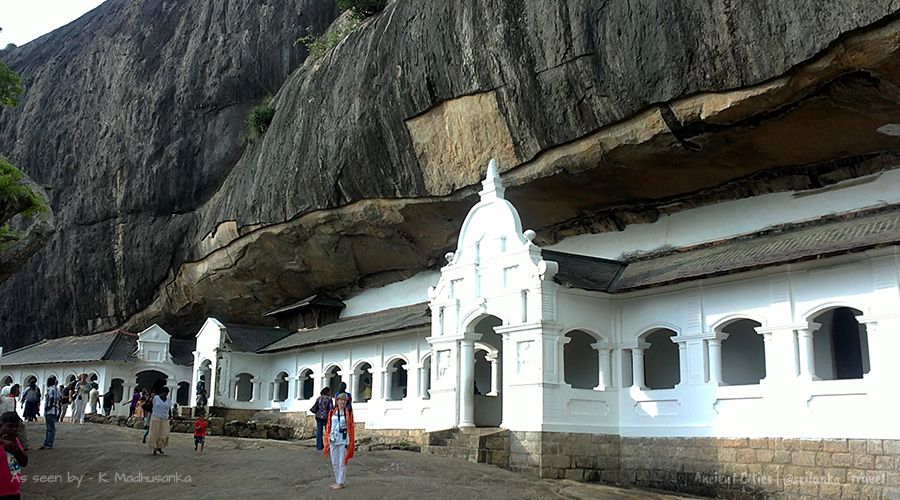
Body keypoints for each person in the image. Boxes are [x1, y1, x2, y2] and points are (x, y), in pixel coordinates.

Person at [323, 393, 355, 490]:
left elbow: (351, 426)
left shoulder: (348, 412)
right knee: (334, 461)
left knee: (342, 461)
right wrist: (327, 438)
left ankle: (341, 482)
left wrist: (350, 440)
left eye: (344, 400)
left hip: (343, 439)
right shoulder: (332, 412)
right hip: (333, 438)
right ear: (337, 401)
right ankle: (337, 480)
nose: (342, 402)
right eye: (340, 400)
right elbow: (329, 425)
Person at [0, 411, 28, 498]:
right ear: (0, 425)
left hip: (13, 491)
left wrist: (14, 448)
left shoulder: (14, 440)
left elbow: (24, 462)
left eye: (16, 426)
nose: (14, 429)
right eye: (10, 426)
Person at [147, 387, 172, 455]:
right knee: (155, 434)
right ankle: (155, 448)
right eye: (165, 393)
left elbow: (169, 409)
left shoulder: (168, 400)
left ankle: (159, 446)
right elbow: (149, 404)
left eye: (167, 393)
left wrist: (170, 416)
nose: (166, 394)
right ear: (162, 392)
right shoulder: (156, 398)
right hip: (156, 418)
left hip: (164, 419)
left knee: (165, 434)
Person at [41, 376, 61, 450]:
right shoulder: (57, 389)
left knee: (50, 428)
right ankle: (47, 443)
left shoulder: (50, 389)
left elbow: (51, 397)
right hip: (55, 410)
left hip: (50, 410)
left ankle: (48, 444)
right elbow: (60, 399)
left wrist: (49, 406)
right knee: (50, 428)